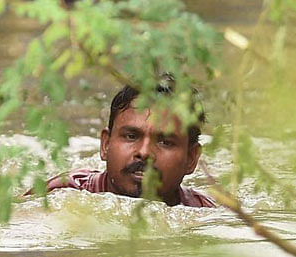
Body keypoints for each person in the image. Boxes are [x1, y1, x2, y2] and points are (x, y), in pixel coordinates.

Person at [47, 79, 217, 208]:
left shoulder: (204, 212)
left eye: (165, 142)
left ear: (191, 158)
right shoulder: (59, 196)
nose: (144, 152)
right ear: (105, 144)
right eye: (130, 136)